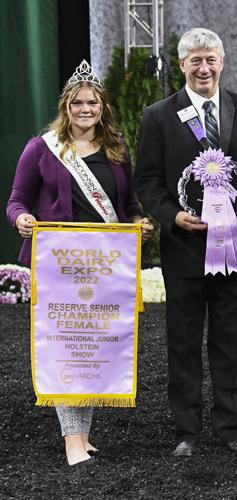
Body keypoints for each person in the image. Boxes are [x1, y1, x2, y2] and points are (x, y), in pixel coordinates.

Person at [133, 28, 237, 458]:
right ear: (182, 65)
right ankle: (186, 432)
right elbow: (147, 180)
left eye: (210, 59)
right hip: (184, 250)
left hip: (236, 250)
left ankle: (231, 429)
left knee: (231, 341)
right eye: (195, 60)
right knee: (182, 343)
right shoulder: (158, 116)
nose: (203, 68)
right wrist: (171, 216)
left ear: (222, 62)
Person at [7, 60, 154, 466]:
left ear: (102, 107)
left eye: (92, 102)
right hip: (59, 266)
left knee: (93, 349)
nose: (85, 109)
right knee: (66, 347)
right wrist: (22, 219)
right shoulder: (42, 148)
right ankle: (72, 440)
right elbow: (17, 200)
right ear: (66, 106)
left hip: (104, 266)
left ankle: (83, 436)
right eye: (78, 103)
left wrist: (139, 224)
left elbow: (128, 207)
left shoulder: (117, 149)